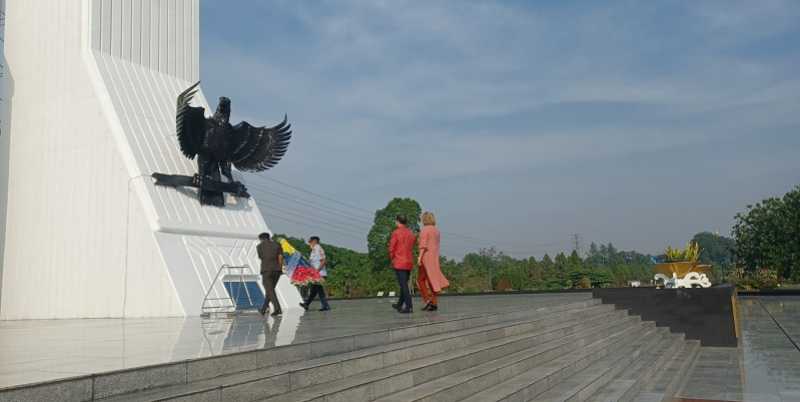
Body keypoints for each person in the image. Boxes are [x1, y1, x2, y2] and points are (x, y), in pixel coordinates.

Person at [417, 212, 449, 311]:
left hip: (426, 258)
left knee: (420, 280)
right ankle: (434, 302)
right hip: (434, 257)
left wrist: (419, 257)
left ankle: (427, 300)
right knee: (432, 280)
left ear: (424, 219)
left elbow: (423, 246)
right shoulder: (436, 231)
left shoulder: (424, 230)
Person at [389, 215, 416, 313]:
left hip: (399, 261)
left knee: (403, 285)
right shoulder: (411, 233)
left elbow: (392, 248)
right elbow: (412, 245)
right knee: (404, 284)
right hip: (408, 261)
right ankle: (400, 304)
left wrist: (392, 258)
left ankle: (409, 306)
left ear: (397, 221)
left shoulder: (396, 233)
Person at [300, 236, 331, 312]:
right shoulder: (313, 250)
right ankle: (307, 304)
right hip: (315, 274)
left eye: (310, 241)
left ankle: (325, 306)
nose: (309, 243)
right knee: (314, 290)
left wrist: (317, 271)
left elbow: (323, 261)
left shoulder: (318, 249)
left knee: (319, 290)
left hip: (320, 273)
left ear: (314, 241)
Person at [257, 232, 284, 316]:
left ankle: (277, 309)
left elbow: (261, 257)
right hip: (277, 270)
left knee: (269, 290)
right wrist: (280, 267)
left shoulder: (259, 246)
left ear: (261, 239)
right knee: (270, 290)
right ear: (269, 237)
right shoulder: (277, 244)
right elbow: (280, 257)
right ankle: (263, 309)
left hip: (266, 270)